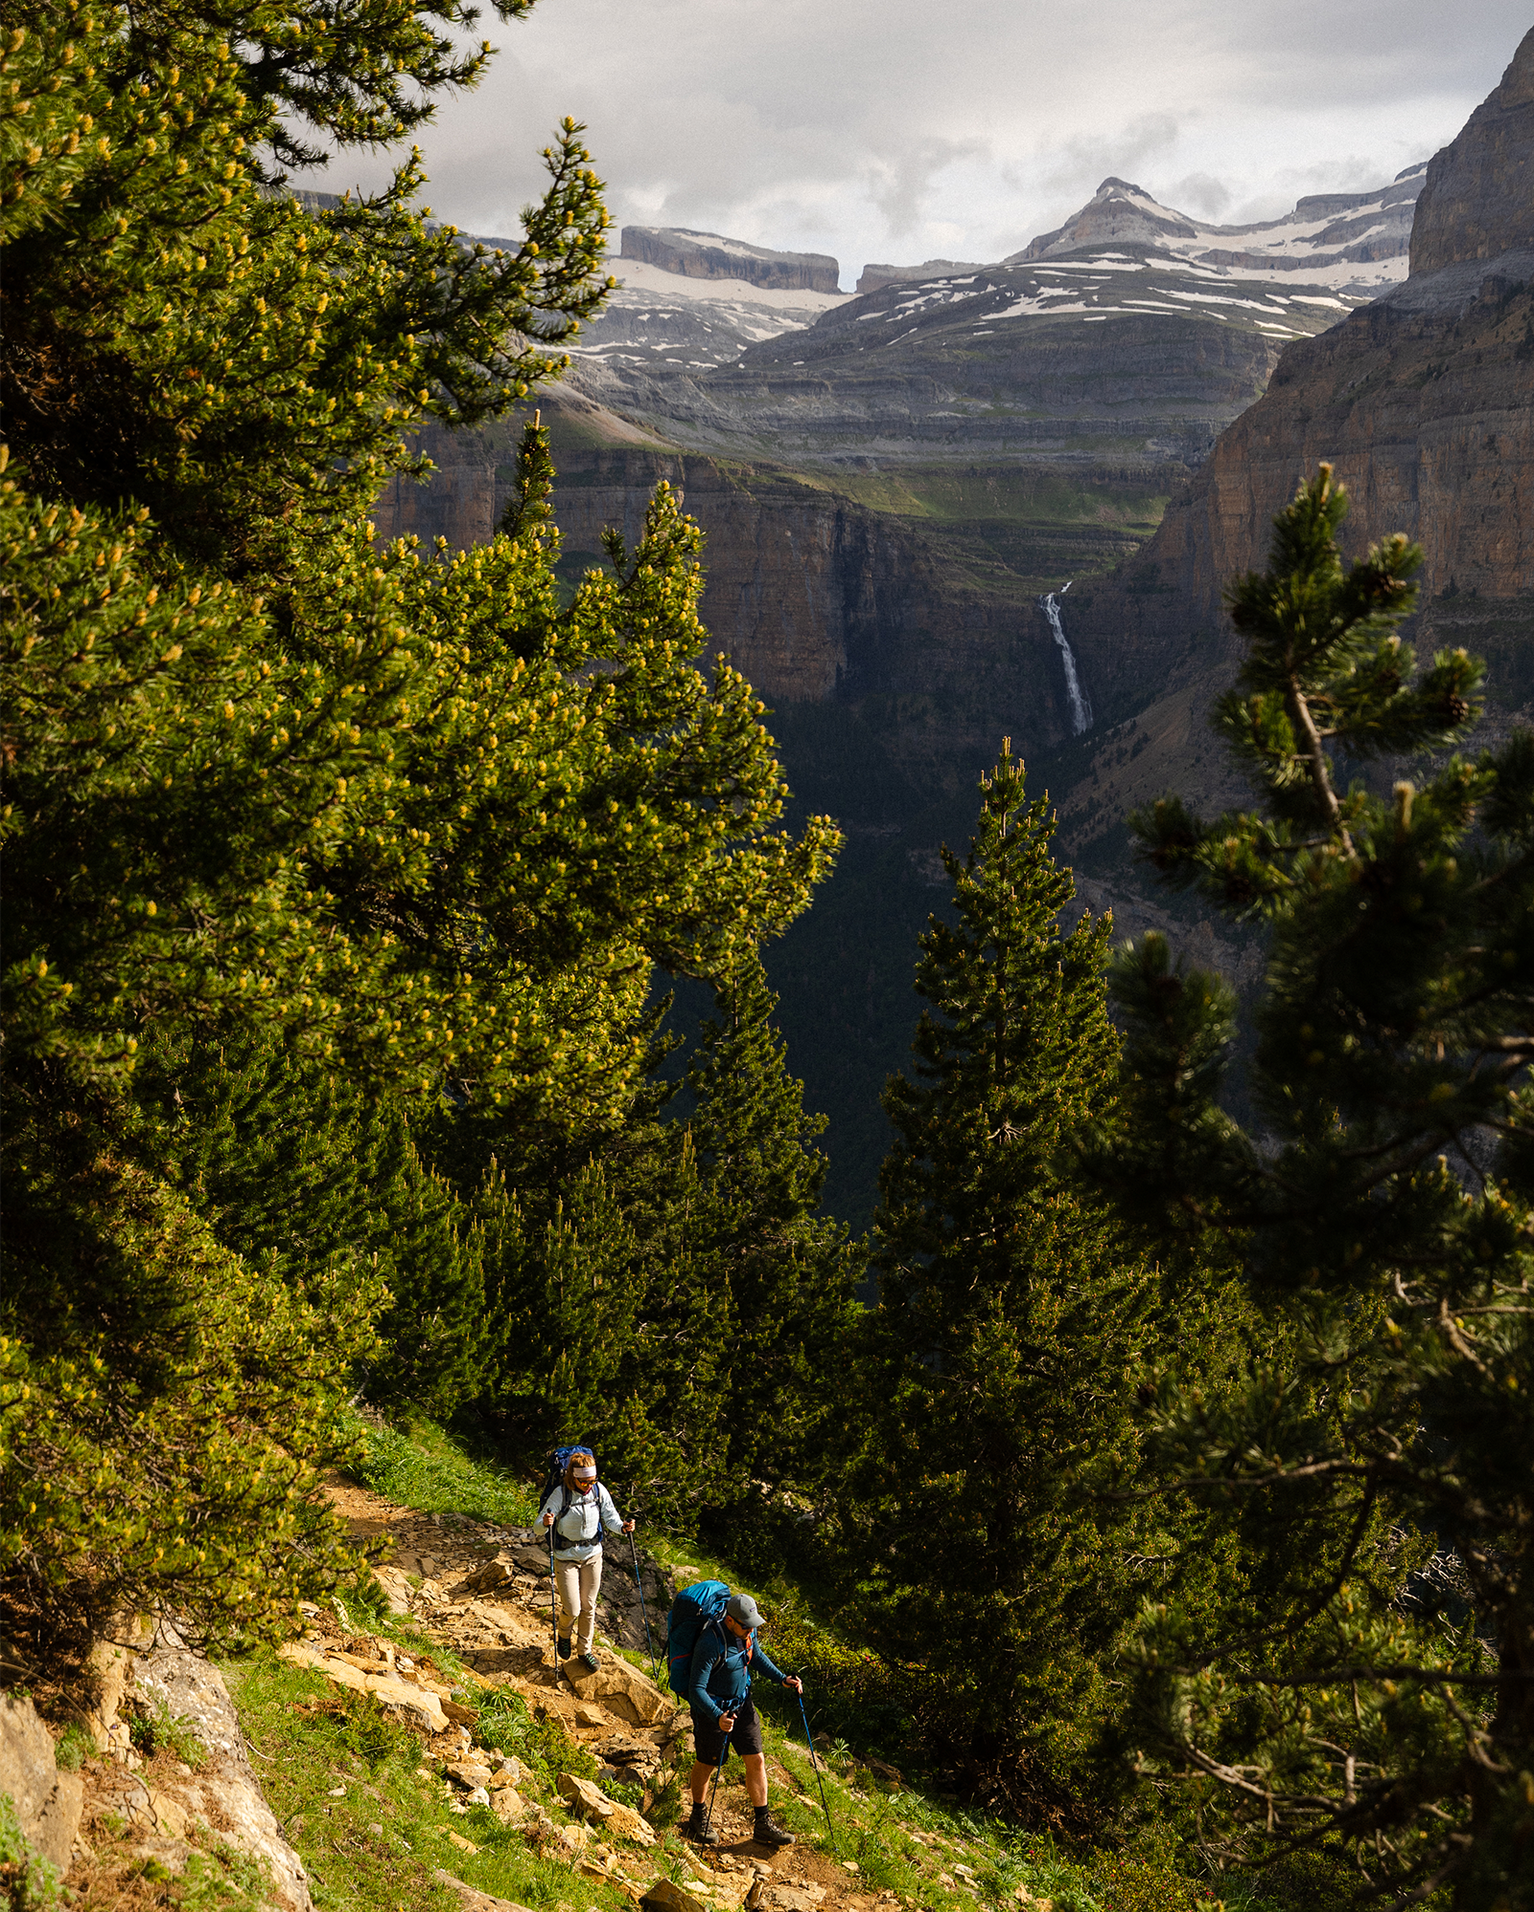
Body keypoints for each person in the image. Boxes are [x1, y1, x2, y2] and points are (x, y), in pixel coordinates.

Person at [685, 1591, 801, 1849]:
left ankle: (762, 1824)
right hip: (713, 1710)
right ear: (730, 1621)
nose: (750, 1631)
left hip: (742, 1704)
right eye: (745, 1626)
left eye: (753, 1626)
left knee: (756, 1758)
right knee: (707, 1763)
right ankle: (698, 1815)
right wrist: (717, 1717)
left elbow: (755, 1656)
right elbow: (696, 1689)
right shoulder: (709, 1643)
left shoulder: (747, 1633)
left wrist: (782, 1678)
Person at [537, 1448, 632, 1672]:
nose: (589, 1486)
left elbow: (611, 1519)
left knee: (589, 1606)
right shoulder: (560, 1494)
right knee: (572, 1607)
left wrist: (623, 1528)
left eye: (592, 1480)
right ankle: (563, 1634)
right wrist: (545, 1521)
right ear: (573, 1477)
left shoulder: (599, 1491)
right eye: (584, 1482)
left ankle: (584, 1651)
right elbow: (537, 1524)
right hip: (565, 1556)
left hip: (592, 1554)